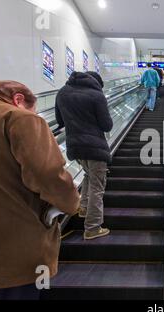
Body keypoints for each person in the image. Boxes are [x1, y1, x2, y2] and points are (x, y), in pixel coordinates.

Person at [0, 81, 80, 300]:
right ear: (18, 99)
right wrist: (72, 203)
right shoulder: (18, 118)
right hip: (13, 253)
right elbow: (48, 175)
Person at [55, 71, 113, 241]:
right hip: (95, 147)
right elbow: (107, 125)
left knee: (88, 176)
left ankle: (84, 207)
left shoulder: (62, 93)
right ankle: (93, 227)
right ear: (96, 82)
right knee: (98, 185)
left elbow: (60, 121)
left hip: (74, 146)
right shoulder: (96, 95)